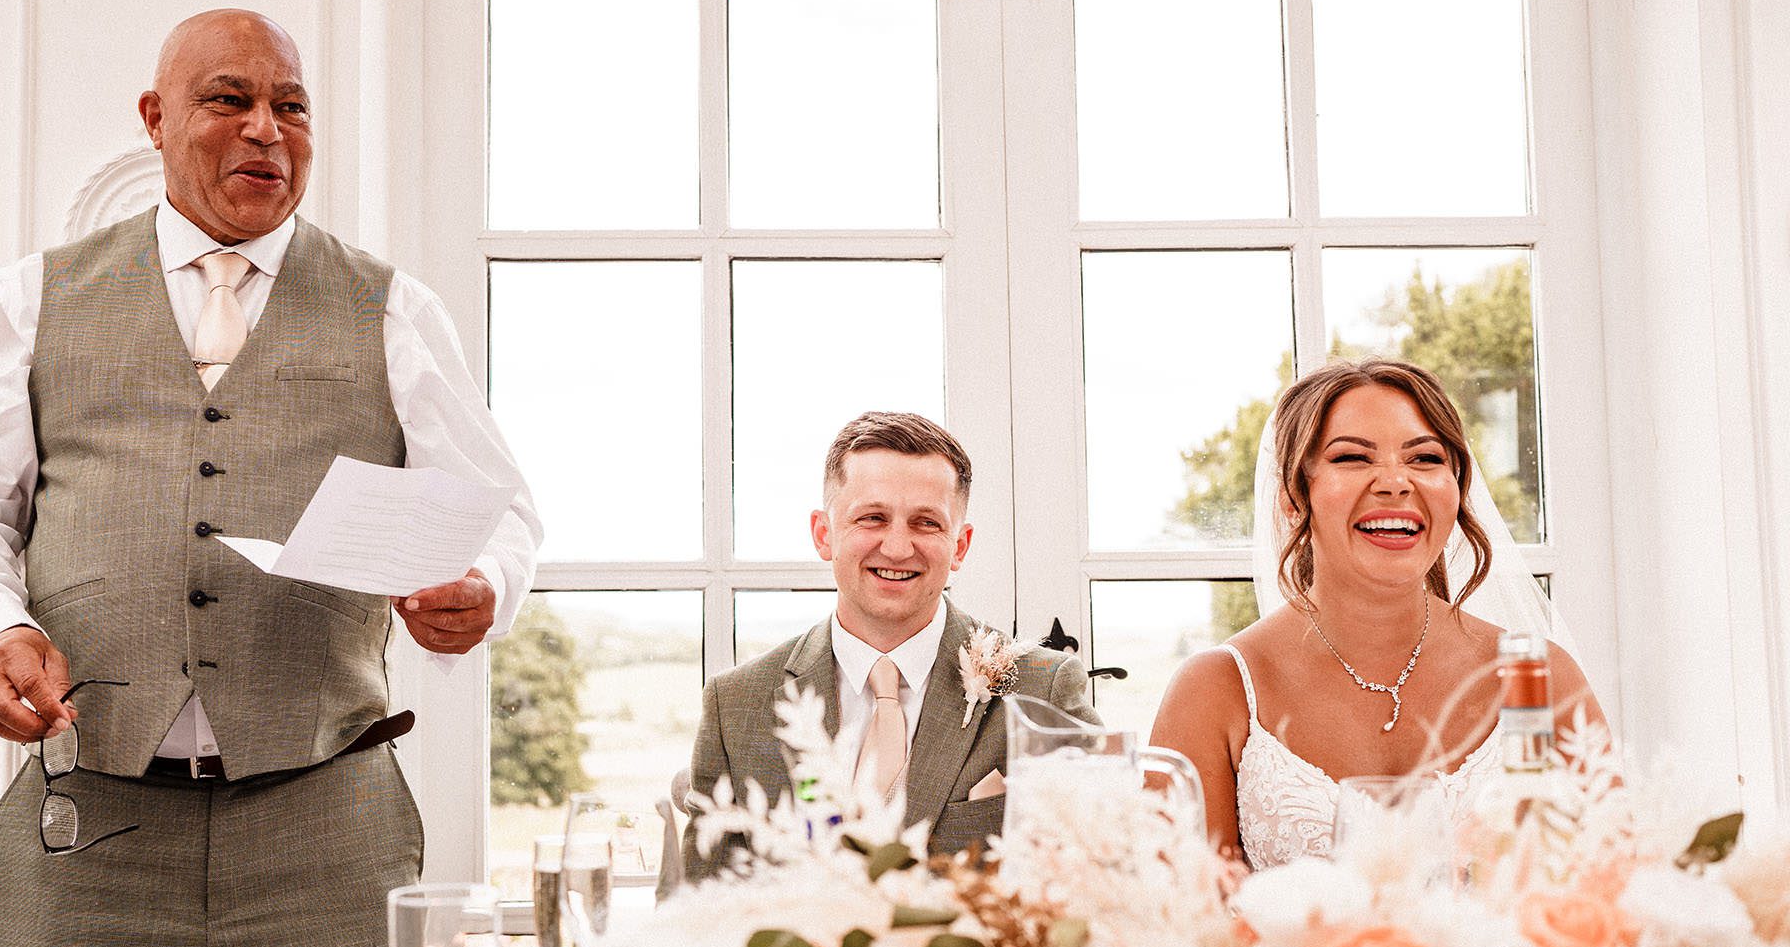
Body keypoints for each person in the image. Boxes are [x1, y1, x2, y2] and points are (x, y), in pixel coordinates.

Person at [0, 9, 540, 947]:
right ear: (156, 119)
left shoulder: (394, 307)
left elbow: (497, 510)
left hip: (324, 821)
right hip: (85, 817)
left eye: (290, 107)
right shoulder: (32, 300)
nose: (266, 131)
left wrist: (479, 583)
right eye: (228, 99)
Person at [1150, 357, 1602, 869]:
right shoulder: (1216, 691)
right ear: (1294, 497)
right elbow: (1177, 929)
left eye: (1426, 458)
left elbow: (1613, 895)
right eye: (1352, 458)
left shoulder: (1540, 677)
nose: (1395, 482)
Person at [684, 412, 1093, 878]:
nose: (898, 548)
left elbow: (1107, 882)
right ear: (824, 534)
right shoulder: (735, 705)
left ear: (960, 545)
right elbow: (693, 913)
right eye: (872, 518)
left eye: (926, 523)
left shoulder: (1045, 689)